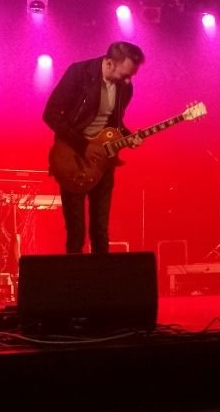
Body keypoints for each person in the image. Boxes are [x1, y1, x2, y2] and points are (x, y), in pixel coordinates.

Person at [43, 41, 145, 253]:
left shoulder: (125, 87)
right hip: (72, 157)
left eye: (131, 75)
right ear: (109, 63)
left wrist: (129, 137)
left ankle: (102, 273)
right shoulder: (79, 73)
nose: (128, 80)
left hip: (103, 159)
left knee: (100, 229)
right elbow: (50, 114)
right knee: (76, 231)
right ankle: (75, 274)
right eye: (124, 74)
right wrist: (83, 145)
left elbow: (115, 124)